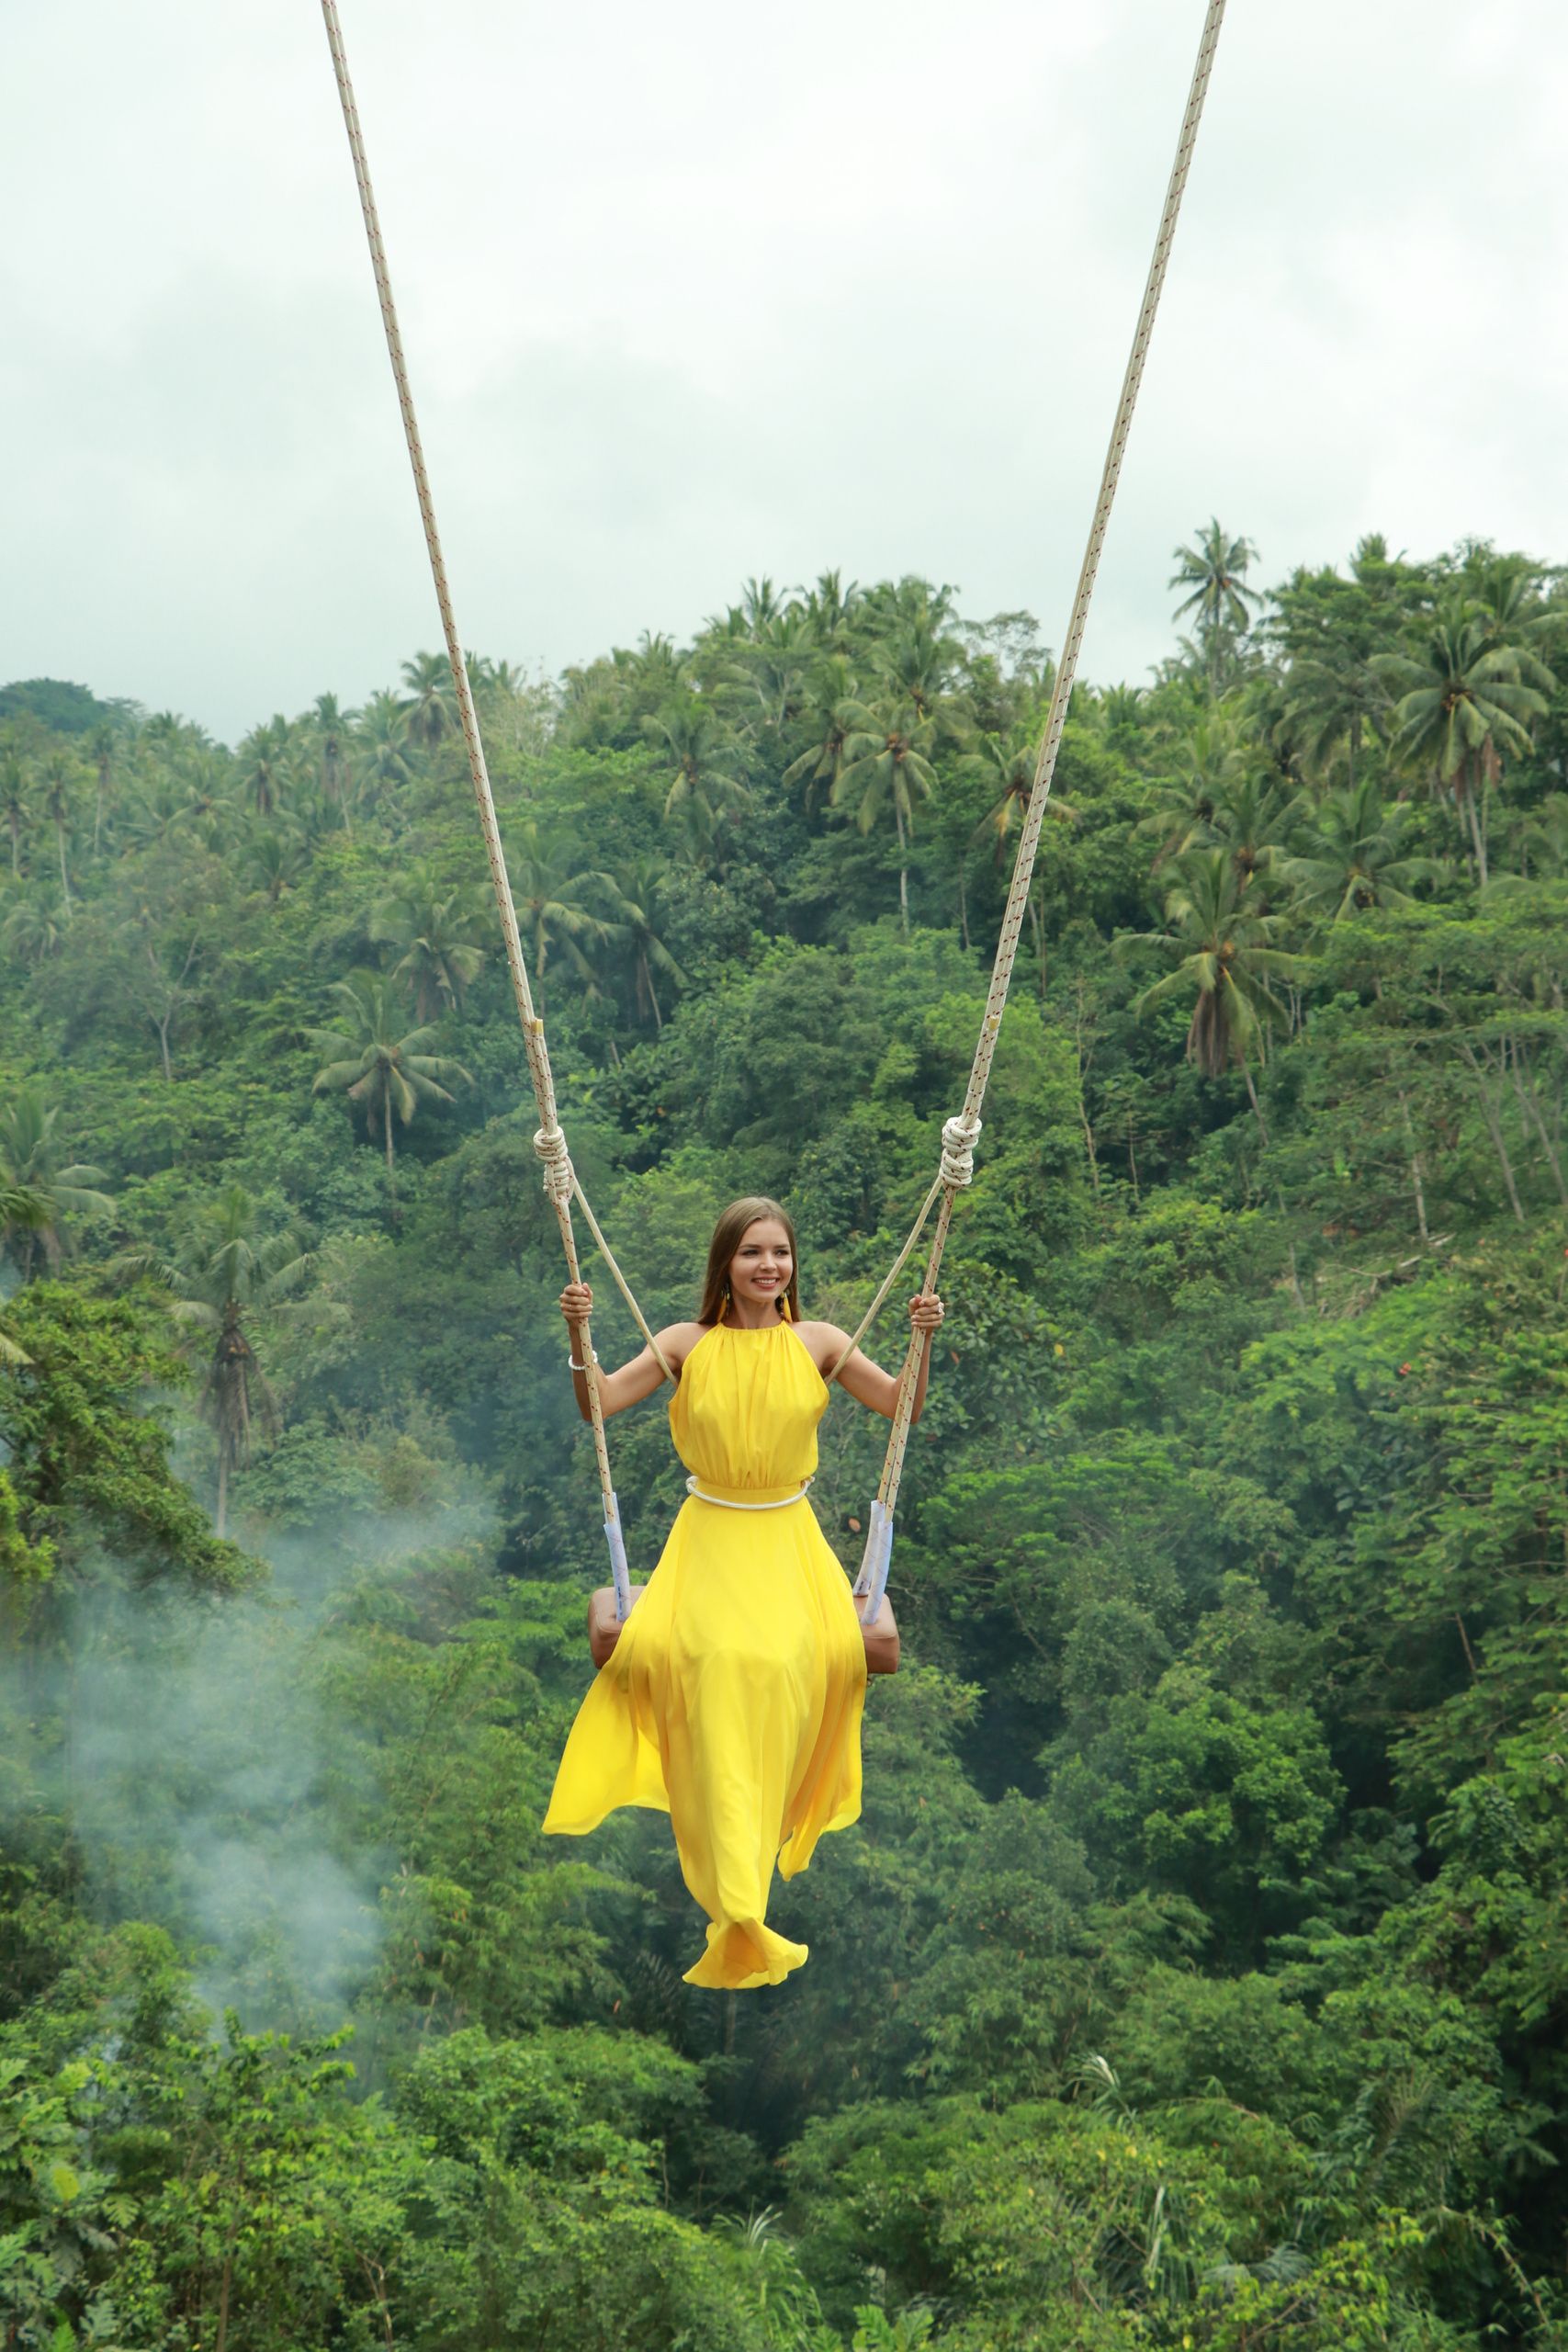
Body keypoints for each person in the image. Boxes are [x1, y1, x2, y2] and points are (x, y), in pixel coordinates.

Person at [542, 1194, 944, 1991]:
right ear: (725, 1263)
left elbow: (903, 1405)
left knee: (814, 1657)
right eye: (753, 1252)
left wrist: (922, 1342)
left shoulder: (821, 1342)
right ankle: (735, 1896)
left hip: (787, 1536)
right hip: (712, 1532)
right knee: (714, 1660)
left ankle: (771, 1826)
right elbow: (600, 1404)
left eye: (781, 1254)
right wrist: (577, 1334)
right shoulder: (684, 1344)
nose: (769, 1266)